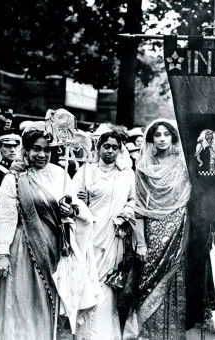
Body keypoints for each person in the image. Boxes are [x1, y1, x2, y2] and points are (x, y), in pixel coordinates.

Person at [0, 127, 98, 340]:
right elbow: (5, 217)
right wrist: (2, 253)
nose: (42, 155)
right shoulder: (14, 178)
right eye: (36, 149)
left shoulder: (60, 174)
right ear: (26, 150)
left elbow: (75, 207)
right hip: (23, 249)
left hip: (54, 248)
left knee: (49, 302)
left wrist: (71, 211)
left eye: (47, 150)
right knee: (22, 301)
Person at [123, 119, 191, 340]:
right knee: (147, 279)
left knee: (174, 280)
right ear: (150, 139)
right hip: (152, 231)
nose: (162, 138)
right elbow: (140, 208)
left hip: (178, 228)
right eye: (157, 135)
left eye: (166, 134)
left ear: (173, 138)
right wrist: (141, 243)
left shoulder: (184, 164)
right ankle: (148, 333)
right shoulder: (143, 167)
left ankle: (172, 334)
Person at [74, 131, 137, 340]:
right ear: (98, 148)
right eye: (106, 146)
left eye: (114, 147)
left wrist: (125, 214)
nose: (110, 151)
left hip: (114, 234)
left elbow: (134, 200)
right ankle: (86, 334)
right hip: (89, 234)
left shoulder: (126, 174)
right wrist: (80, 199)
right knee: (89, 279)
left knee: (108, 283)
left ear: (120, 150)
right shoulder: (86, 172)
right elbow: (70, 201)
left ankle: (107, 334)